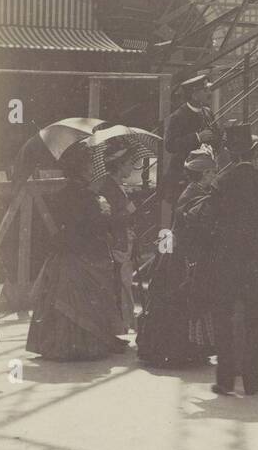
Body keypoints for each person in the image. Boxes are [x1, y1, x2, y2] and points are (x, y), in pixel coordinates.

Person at [26, 143, 125, 361]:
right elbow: (91, 227)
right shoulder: (86, 196)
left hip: (65, 250)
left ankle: (62, 342)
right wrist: (104, 212)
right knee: (83, 297)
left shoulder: (64, 192)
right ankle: (81, 344)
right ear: (81, 169)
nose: (92, 170)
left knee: (63, 296)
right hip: (83, 253)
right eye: (89, 166)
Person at [203, 124, 258, 395]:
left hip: (227, 264)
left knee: (224, 320)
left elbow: (209, 224)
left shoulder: (221, 183)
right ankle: (253, 382)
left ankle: (225, 379)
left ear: (230, 153)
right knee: (255, 321)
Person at [137, 145, 217, 367]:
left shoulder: (195, 192)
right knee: (181, 300)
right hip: (183, 256)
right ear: (204, 174)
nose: (214, 176)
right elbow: (195, 227)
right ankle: (179, 349)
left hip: (177, 252)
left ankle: (189, 349)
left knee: (179, 300)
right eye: (212, 173)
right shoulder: (195, 196)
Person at [97, 143, 138, 335]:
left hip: (124, 240)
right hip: (115, 243)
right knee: (118, 284)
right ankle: (116, 325)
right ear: (119, 165)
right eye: (129, 163)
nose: (132, 167)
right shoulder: (107, 187)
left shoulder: (116, 185)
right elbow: (105, 218)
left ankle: (123, 323)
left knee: (124, 283)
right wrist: (128, 213)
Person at [163, 74, 221, 208]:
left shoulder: (207, 112)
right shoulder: (179, 116)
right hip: (184, 177)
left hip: (206, 176)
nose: (209, 93)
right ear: (194, 94)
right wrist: (197, 137)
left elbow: (216, 137)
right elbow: (170, 145)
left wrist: (218, 138)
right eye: (205, 90)